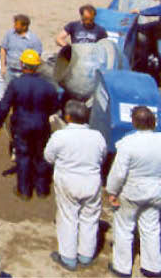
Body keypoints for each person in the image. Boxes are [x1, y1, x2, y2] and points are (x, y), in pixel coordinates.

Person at [106, 106, 161, 278]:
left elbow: (119, 173)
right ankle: (152, 267)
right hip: (155, 189)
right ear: (153, 122)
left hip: (132, 190)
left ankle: (122, 267)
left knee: (124, 228)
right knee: (151, 228)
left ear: (134, 122)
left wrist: (112, 191)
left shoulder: (127, 144)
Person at [43, 100, 106, 271]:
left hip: (68, 180)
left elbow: (48, 157)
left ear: (68, 117)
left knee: (68, 217)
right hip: (92, 181)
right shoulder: (98, 136)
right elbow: (102, 157)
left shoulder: (60, 136)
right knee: (90, 217)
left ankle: (68, 257)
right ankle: (86, 255)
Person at [0, 49, 58, 199]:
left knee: (23, 156)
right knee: (41, 156)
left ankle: (24, 190)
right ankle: (42, 190)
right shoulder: (47, 86)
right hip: (41, 125)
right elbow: (55, 107)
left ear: (22, 64)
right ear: (37, 66)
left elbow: (4, 105)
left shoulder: (16, 84)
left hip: (21, 126)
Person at [0, 14, 42, 105]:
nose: (14, 26)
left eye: (17, 25)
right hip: (9, 71)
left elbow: (37, 58)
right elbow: (3, 49)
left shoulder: (34, 40)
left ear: (24, 26)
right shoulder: (9, 34)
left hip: (24, 73)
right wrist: (3, 66)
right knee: (8, 95)